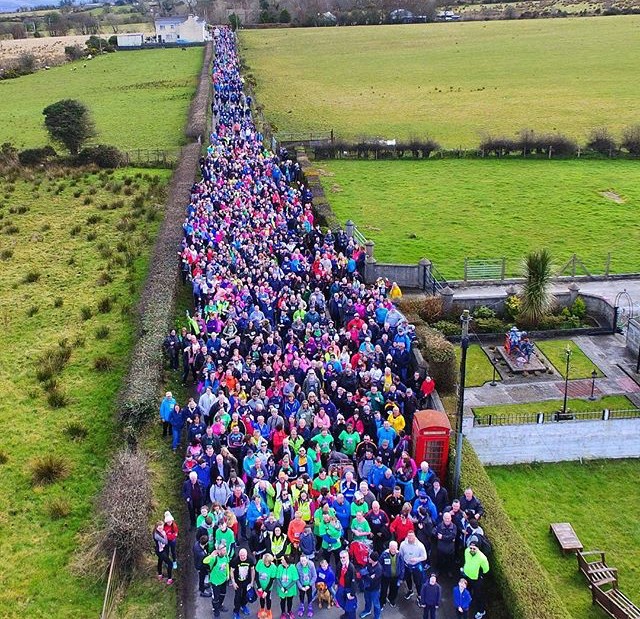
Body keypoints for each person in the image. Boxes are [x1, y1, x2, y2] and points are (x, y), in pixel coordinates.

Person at [461, 540, 490, 619]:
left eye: (474, 549)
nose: (472, 550)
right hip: (467, 576)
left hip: (476, 579)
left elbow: (486, 569)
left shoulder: (482, 558)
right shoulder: (467, 551)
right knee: (467, 591)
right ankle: (467, 604)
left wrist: (479, 575)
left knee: (478, 596)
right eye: (471, 548)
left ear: (478, 549)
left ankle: (481, 611)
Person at [205, 543, 231, 618]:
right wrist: (211, 555)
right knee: (215, 598)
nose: (225, 551)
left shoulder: (226, 556)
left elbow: (227, 564)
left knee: (223, 594)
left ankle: (220, 606)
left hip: (223, 580)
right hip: (215, 582)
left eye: (225, 550)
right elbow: (204, 561)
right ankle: (216, 611)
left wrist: (227, 574)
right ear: (219, 551)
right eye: (223, 550)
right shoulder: (214, 558)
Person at [399, 530, 427, 600]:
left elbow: (424, 557)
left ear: (415, 536)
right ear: (407, 536)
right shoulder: (403, 544)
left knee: (418, 582)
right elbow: (400, 555)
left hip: (416, 566)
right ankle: (410, 590)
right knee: (408, 579)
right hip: (407, 566)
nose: (410, 538)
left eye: (412, 536)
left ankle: (419, 595)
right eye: (409, 536)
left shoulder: (420, 545)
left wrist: (416, 559)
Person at [230, 547, 256, 619]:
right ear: (239, 555)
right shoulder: (235, 560)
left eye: (243, 556)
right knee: (237, 597)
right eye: (241, 555)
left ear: (246, 555)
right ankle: (236, 611)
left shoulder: (250, 560)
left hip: (247, 582)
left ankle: (243, 605)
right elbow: (231, 571)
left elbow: (252, 570)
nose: (242, 557)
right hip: (238, 582)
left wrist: (252, 582)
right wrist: (233, 582)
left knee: (245, 595)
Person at [379, 540, 404, 608]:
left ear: (397, 548)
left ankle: (391, 599)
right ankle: (382, 602)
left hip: (396, 576)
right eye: (392, 548)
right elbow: (380, 564)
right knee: (383, 590)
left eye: (395, 548)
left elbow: (402, 566)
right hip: (385, 577)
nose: (393, 550)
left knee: (394, 590)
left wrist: (401, 577)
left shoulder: (399, 555)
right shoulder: (384, 554)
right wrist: (381, 573)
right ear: (389, 547)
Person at [360, 551, 382, 619]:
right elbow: (363, 571)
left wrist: (366, 574)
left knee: (376, 604)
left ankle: (377, 617)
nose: (368, 559)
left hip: (374, 589)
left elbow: (371, 579)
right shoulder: (368, 564)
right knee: (367, 600)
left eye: (370, 558)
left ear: (374, 560)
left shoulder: (378, 569)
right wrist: (367, 575)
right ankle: (367, 610)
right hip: (367, 587)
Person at [336, 550, 357, 619]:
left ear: (347, 557)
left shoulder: (351, 568)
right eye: (341, 557)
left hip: (348, 588)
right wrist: (336, 583)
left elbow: (354, 581)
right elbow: (337, 573)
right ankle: (346, 614)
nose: (342, 559)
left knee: (350, 606)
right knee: (340, 600)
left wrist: (352, 594)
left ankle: (351, 617)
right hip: (341, 586)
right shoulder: (340, 564)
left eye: (344, 557)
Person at [276, 554, 299, 619]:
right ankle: (283, 612)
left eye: (282, 560)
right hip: (281, 589)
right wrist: (281, 588)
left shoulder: (293, 567)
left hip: (290, 589)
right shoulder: (280, 567)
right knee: (282, 601)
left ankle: (289, 611)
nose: (281, 561)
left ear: (286, 561)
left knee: (290, 601)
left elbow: (294, 580)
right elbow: (277, 578)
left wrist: (287, 588)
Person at [256, 553, 278, 618]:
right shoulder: (260, 562)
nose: (263, 562)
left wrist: (266, 591)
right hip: (260, 586)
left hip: (268, 587)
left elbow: (271, 580)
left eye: (265, 561)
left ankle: (268, 611)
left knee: (268, 599)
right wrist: (259, 587)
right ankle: (262, 609)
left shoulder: (273, 568)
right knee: (261, 598)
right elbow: (256, 575)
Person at [153, 521, 174, 585]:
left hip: (161, 549)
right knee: (170, 563)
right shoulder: (156, 535)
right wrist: (165, 534)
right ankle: (169, 579)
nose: (161, 529)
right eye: (159, 528)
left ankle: (160, 575)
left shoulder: (158, 532)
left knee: (160, 561)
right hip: (160, 551)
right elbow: (165, 542)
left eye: (162, 528)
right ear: (156, 528)